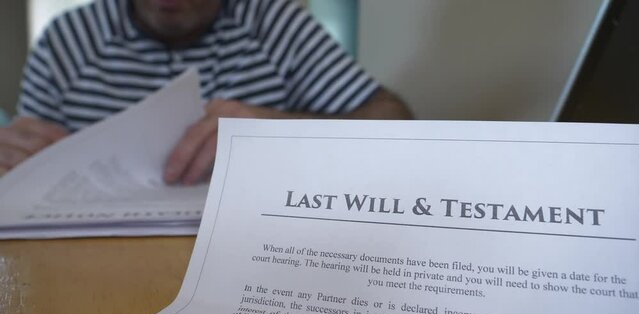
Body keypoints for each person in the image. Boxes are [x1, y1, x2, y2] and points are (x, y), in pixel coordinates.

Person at [0, 0, 412, 182]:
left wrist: (276, 129)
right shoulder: (66, 38)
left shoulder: (277, 24)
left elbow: (397, 123)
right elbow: (21, 157)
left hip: (251, 252)